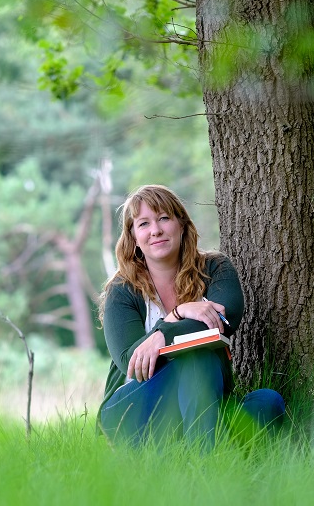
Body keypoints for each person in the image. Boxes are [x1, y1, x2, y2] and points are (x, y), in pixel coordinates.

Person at [98, 185, 284, 448]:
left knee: (267, 402)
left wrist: (164, 333)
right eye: (143, 224)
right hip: (136, 409)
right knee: (197, 353)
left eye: (164, 218)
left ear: (182, 225)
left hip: (206, 402)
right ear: (134, 237)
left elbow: (223, 321)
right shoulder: (123, 289)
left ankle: (193, 451)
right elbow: (132, 360)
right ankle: (205, 463)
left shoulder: (215, 268)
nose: (156, 231)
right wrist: (179, 313)